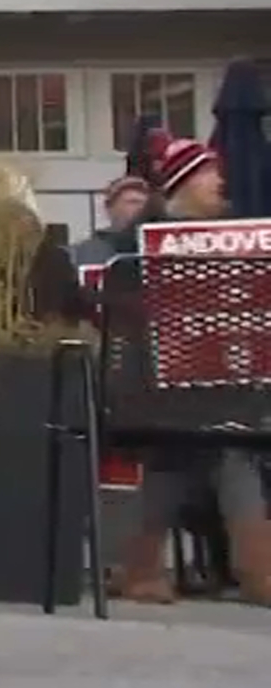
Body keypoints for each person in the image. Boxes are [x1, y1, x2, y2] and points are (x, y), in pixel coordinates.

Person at [104, 134, 270, 606]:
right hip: (161, 382)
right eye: (209, 173)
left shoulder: (236, 232)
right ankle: (143, 570)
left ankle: (254, 570)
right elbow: (117, 305)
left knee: (235, 459)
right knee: (172, 464)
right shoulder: (135, 242)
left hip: (225, 376)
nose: (221, 181)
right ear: (183, 183)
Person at [71, 176, 152, 269]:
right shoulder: (91, 250)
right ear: (109, 207)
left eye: (145, 204)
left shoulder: (154, 249)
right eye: (133, 202)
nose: (141, 208)